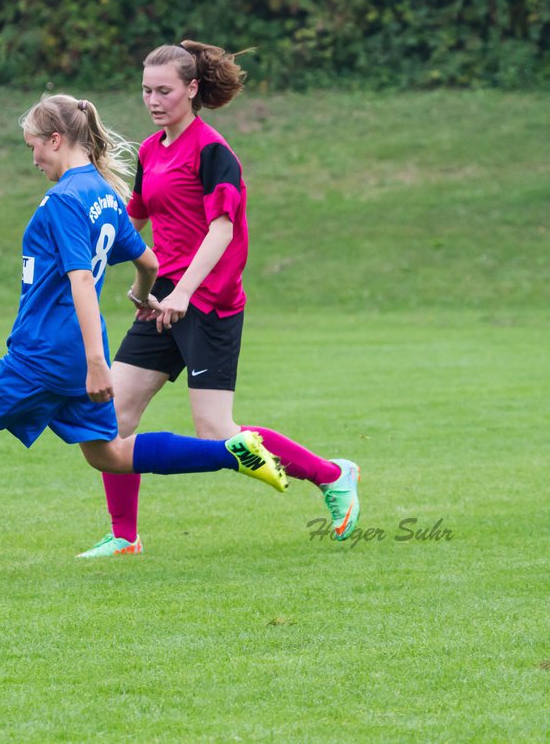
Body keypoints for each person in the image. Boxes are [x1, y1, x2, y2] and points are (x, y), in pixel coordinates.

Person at [0, 94, 289, 582]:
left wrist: (99, 362)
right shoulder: (101, 192)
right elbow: (150, 261)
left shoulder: (63, 201)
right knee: (109, 454)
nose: (33, 160)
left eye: (35, 148)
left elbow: (79, 284)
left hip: (42, 356)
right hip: (69, 357)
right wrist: (142, 296)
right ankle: (229, 452)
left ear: (56, 139)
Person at [76, 40, 361, 559]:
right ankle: (124, 537)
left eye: (164, 91)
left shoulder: (213, 151)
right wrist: (92, 253)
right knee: (111, 419)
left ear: (192, 89)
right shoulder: (149, 150)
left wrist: (184, 292)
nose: (154, 100)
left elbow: (222, 230)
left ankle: (333, 474)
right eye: (146, 90)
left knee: (215, 433)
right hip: (162, 301)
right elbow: (134, 220)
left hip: (207, 302)